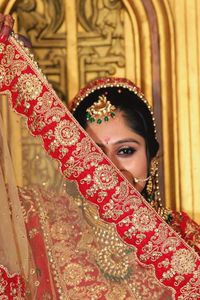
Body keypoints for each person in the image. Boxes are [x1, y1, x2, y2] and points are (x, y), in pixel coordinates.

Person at [0, 14, 199, 299]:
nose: (109, 170)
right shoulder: (36, 219)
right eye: (94, 153)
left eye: (126, 151)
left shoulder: (185, 240)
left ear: (152, 158)